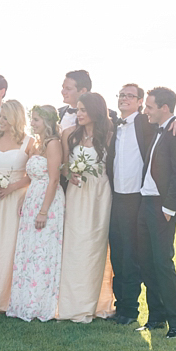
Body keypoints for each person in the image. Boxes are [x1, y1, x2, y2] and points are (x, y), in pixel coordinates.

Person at [105, 84, 176, 326]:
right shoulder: (114, 124)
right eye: (121, 94)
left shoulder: (150, 124)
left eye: (131, 96)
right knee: (132, 256)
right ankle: (141, 313)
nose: (124, 99)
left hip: (148, 201)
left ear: (142, 103)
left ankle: (163, 318)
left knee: (152, 260)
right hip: (125, 200)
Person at [134, 87, 176, 339]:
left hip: (161, 208)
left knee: (162, 263)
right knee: (146, 261)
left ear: (165, 108)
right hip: (144, 204)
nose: (145, 111)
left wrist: (169, 208)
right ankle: (156, 317)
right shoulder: (154, 127)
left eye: (149, 107)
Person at [58, 92, 114, 322]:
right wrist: (70, 173)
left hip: (100, 194)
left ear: (95, 111)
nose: (78, 114)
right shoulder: (69, 134)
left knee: (94, 246)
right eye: (77, 109)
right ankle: (70, 304)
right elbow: (62, 166)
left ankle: (92, 303)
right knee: (73, 246)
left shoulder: (110, 135)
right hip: (76, 192)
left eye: (83, 110)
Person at [6, 105, 65, 322]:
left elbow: (54, 179)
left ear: (48, 121)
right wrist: (24, 197)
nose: (33, 123)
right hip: (33, 197)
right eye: (33, 119)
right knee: (29, 250)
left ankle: (40, 305)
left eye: (37, 120)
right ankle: (24, 301)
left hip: (47, 201)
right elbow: (32, 176)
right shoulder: (38, 144)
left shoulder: (53, 144)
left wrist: (43, 211)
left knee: (43, 251)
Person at [0, 100, 32, 312]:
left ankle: (8, 297)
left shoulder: (29, 142)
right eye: (0, 117)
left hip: (15, 199)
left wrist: (11, 188)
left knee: (9, 246)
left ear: (16, 119)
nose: (0, 121)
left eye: (5, 117)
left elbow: (34, 174)